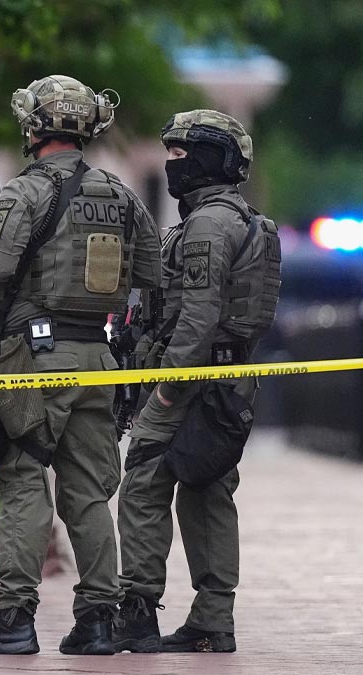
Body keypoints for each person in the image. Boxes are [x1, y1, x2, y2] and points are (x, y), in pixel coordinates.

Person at [0, 75, 163, 655]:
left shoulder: (25, 192)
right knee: (88, 494)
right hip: (99, 359)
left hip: (34, 362)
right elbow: (150, 274)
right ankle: (97, 621)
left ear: (34, 127)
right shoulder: (121, 195)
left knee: (23, 481)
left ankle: (14, 617)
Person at [112, 110, 281, 653]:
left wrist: (165, 388)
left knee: (143, 482)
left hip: (190, 380)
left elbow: (199, 317)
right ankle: (212, 620)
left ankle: (137, 611)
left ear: (212, 159)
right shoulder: (239, 220)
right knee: (207, 491)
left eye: (181, 154)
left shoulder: (208, 225)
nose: (171, 164)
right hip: (226, 380)